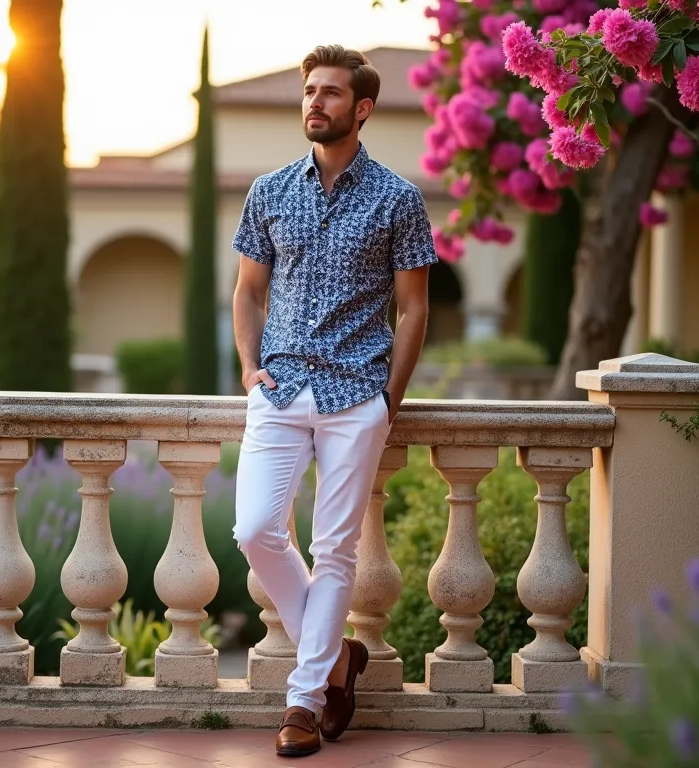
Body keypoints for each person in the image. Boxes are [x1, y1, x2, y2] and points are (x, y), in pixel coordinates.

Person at [230, 44, 438, 758]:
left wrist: (390, 398)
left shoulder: (397, 199)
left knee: (336, 551)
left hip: (357, 395)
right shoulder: (269, 191)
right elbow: (248, 291)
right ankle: (341, 658)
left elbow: (413, 310)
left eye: (330, 93)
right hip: (282, 388)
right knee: (255, 530)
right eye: (309, 90)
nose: (314, 102)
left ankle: (303, 702)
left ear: (363, 108)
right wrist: (251, 367)